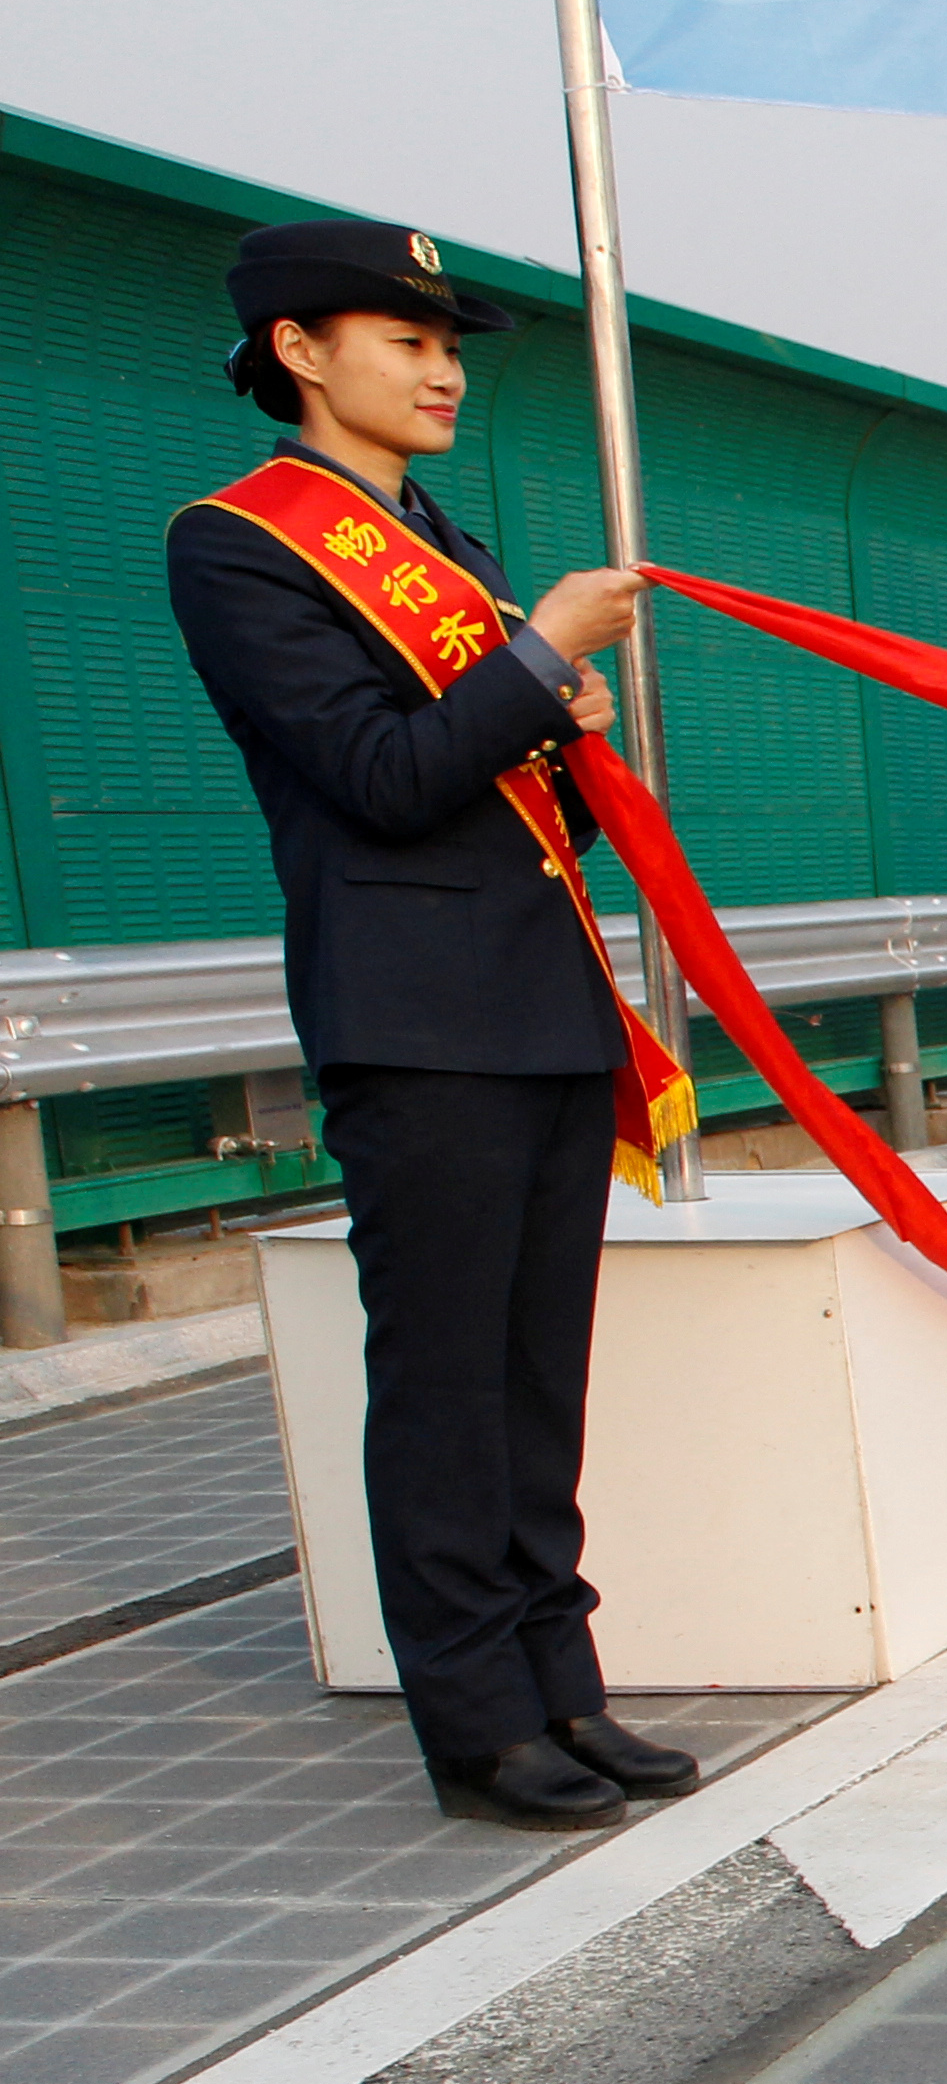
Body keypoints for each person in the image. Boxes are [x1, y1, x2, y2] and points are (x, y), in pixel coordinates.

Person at [166, 220, 702, 1833]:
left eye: (448, 339)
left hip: (537, 1004)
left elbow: (501, 808)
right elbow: (383, 780)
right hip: (413, 1021)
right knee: (448, 1377)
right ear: (299, 354)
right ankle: (475, 1717)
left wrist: (556, 720)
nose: (441, 364)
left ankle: (564, 1682)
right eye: (401, 336)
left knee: (541, 1377)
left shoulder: (448, 548)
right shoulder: (238, 546)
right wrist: (538, 658)